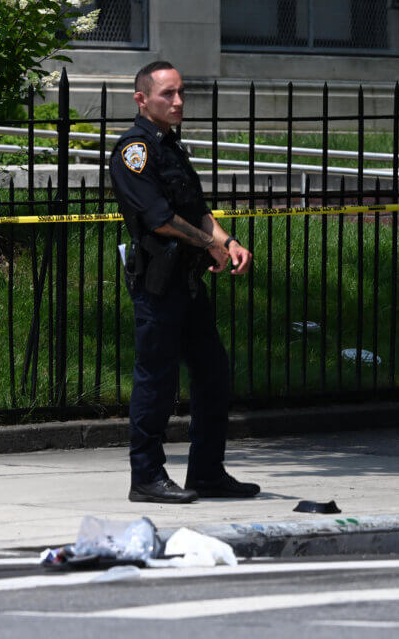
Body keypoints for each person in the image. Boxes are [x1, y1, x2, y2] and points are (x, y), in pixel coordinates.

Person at [108, 60, 260, 504]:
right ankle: (147, 477)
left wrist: (227, 241)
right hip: (158, 282)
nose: (178, 102)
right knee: (156, 380)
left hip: (189, 281)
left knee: (213, 374)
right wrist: (206, 244)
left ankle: (207, 473)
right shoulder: (133, 152)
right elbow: (159, 219)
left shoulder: (171, 146)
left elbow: (195, 210)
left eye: (181, 93)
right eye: (167, 95)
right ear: (141, 99)